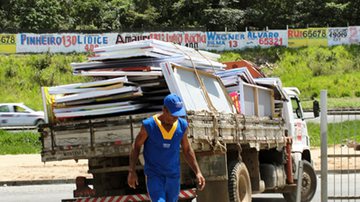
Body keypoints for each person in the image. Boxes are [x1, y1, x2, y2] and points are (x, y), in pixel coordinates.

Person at [128, 93, 205, 202]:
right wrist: (132, 170)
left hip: (173, 176)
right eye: (173, 115)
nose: (175, 118)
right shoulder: (149, 125)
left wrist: (197, 172)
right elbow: (136, 146)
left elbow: (187, 150)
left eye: (177, 115)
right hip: (155, 176)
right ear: (164, 109)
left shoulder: (182, 126)